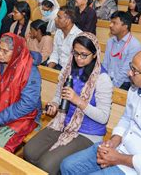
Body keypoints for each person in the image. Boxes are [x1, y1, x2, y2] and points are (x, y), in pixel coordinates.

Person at [60, 50, 141, 175]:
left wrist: (119, 158)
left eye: (135, 71)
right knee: (67, 166)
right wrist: (114, 141)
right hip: (120, 149)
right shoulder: (135, 89)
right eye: (131, 67)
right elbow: (127, 119)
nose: (129, 73)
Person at [24, 33, 113, 175]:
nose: (78, 58)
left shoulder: (102, 79)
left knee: (46, 165)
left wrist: (77, 100)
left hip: (87, 132)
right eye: (76, 53)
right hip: (63, 122)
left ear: (95, 55)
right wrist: (54, 104)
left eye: (84, 55)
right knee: (29, 151)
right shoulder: (69, 68)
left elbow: (103, 117)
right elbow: (59, 95)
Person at [103, 11, 141, 90]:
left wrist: (111, 87)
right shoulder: (110, 41)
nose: (110, 25)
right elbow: (105, 63)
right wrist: (103, 80)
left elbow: (125, 72)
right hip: (107, 80)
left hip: (124, 83)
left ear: (125, 26)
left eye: (114, 23)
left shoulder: (135, 45)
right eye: (111, 22)